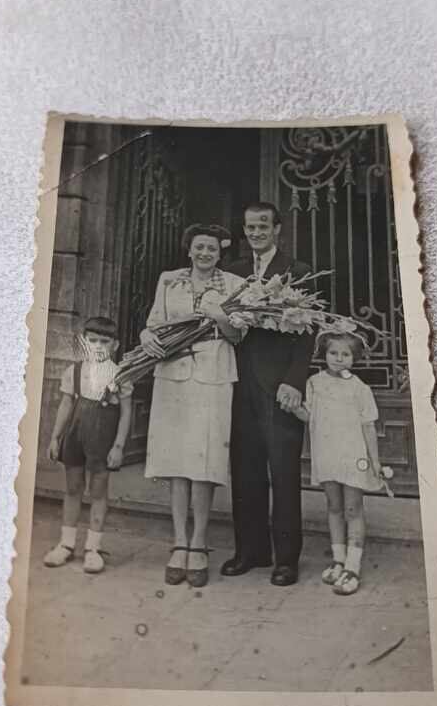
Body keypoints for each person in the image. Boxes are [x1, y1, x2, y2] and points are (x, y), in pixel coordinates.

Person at [140, 224, 245, 587]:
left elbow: (237, 335)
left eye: (212, 249)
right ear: (189, 249)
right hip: (173, 376)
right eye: (199, 247)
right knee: (176, 461)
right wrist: (146, 336)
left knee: (205, 460)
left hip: (213, 378)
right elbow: (154, 323)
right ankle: (178, 543)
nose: (205, 253)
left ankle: (199, 542)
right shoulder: (169, 280)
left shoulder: (233, 285)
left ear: (220, 252)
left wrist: (218, 316)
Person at [223, 202, 315, 586]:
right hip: (239, 385)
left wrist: (294, 381)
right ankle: (251, 550)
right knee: (244, 472)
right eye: (250, 227)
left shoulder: (298, 272)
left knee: (283, 471)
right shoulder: (233, 273)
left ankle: (286, 558)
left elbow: (309, 331)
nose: (256, 233)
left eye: (263, 226)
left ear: (278, 228)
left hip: (280, 388)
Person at [292, 330, 383, 595]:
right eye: (334, 353)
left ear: (354, 358)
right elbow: (309, 416)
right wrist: (291, 405)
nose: (339, 358)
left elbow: (368, 427)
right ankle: (338, 560)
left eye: (346, 354)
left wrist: (374, 461)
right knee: (333, 506)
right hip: (327, 454)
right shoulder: (314, 383)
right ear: (325, 354)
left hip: (353, 456)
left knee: (353, 508)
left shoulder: (359, 389)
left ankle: (353, 567)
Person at [44, 316, 133, 573]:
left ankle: (93, 548)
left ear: (114, 345)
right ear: (84, 342)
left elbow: (126, 412)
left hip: (102, 438)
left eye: (104, 341)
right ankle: (66, 544)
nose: (97, 346)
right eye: (92, 340)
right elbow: (66, 404)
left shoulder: (120, 374)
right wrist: (55, 437)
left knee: (98, 490)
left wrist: (118, 446)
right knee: (72, 487)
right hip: (75, 435)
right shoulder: (74, 371)